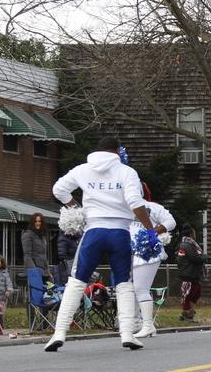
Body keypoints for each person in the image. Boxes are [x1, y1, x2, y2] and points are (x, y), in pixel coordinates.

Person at [44, 137, 157, 352]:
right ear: (117, 152)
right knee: (124, 284)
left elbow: (59, 189)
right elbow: (135, 202)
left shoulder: (83, 169)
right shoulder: (126, 172)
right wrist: (150, 229)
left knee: (76, 281)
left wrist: (74, 206)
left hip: (93, 231)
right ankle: (126, 333)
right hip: (120, 232)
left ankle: (59, 333)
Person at [128, 183, 176, 338]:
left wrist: (152, 233)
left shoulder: (152, 207)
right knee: (129, 289)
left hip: (147, 251)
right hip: (128, 252)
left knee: (141, 289)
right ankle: (135, 322)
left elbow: (171, 222)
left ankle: (148, 324)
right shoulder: (122, 206)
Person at [176, 225, 206, 322]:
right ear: (191, 234)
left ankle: (189, 312)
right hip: (189, 273)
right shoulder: (187, 245)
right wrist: (204, 257)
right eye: (194, 233)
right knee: (188, 294)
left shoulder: (189, 244)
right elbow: (196, 258)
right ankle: (186, 314)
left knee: (196, 292)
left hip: (192, 273)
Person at [22, 212, 51, 280]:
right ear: (32, 222)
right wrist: (34, 271)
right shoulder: (27, 235)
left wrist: (48, 271)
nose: (38, 223)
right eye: (36, 221)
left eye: (40, 221)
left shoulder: (42, 236)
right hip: (35, 272)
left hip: (44, 272)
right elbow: (27, 255)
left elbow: (44, 255)